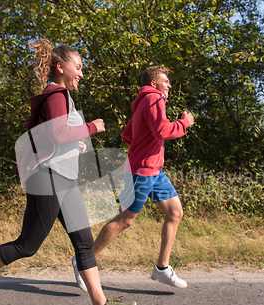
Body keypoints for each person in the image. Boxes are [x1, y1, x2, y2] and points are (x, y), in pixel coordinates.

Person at [0, 39, 136, 305]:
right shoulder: (56, 94)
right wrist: (91, 128)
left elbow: (56, 136)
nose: (82, 74)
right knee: (28, 245)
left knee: (85, 242)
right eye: (79, 67)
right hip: (49, 177)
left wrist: (77, 145)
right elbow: (58, 134)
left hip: (65, 177)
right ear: (61, 67)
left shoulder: (62, 96)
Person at [72, 66, 194, 291]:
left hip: (154, 169)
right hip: (142, 171)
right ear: (154, 83)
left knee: (175, 212)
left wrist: (142, 150)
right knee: (125, 220)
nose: (168, 85)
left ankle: (162, 269)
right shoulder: (155, 98)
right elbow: (163, 131)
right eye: (166, 81)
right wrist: (184, 122)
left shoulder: (142, 104)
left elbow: (128, 134)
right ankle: (83, 260)